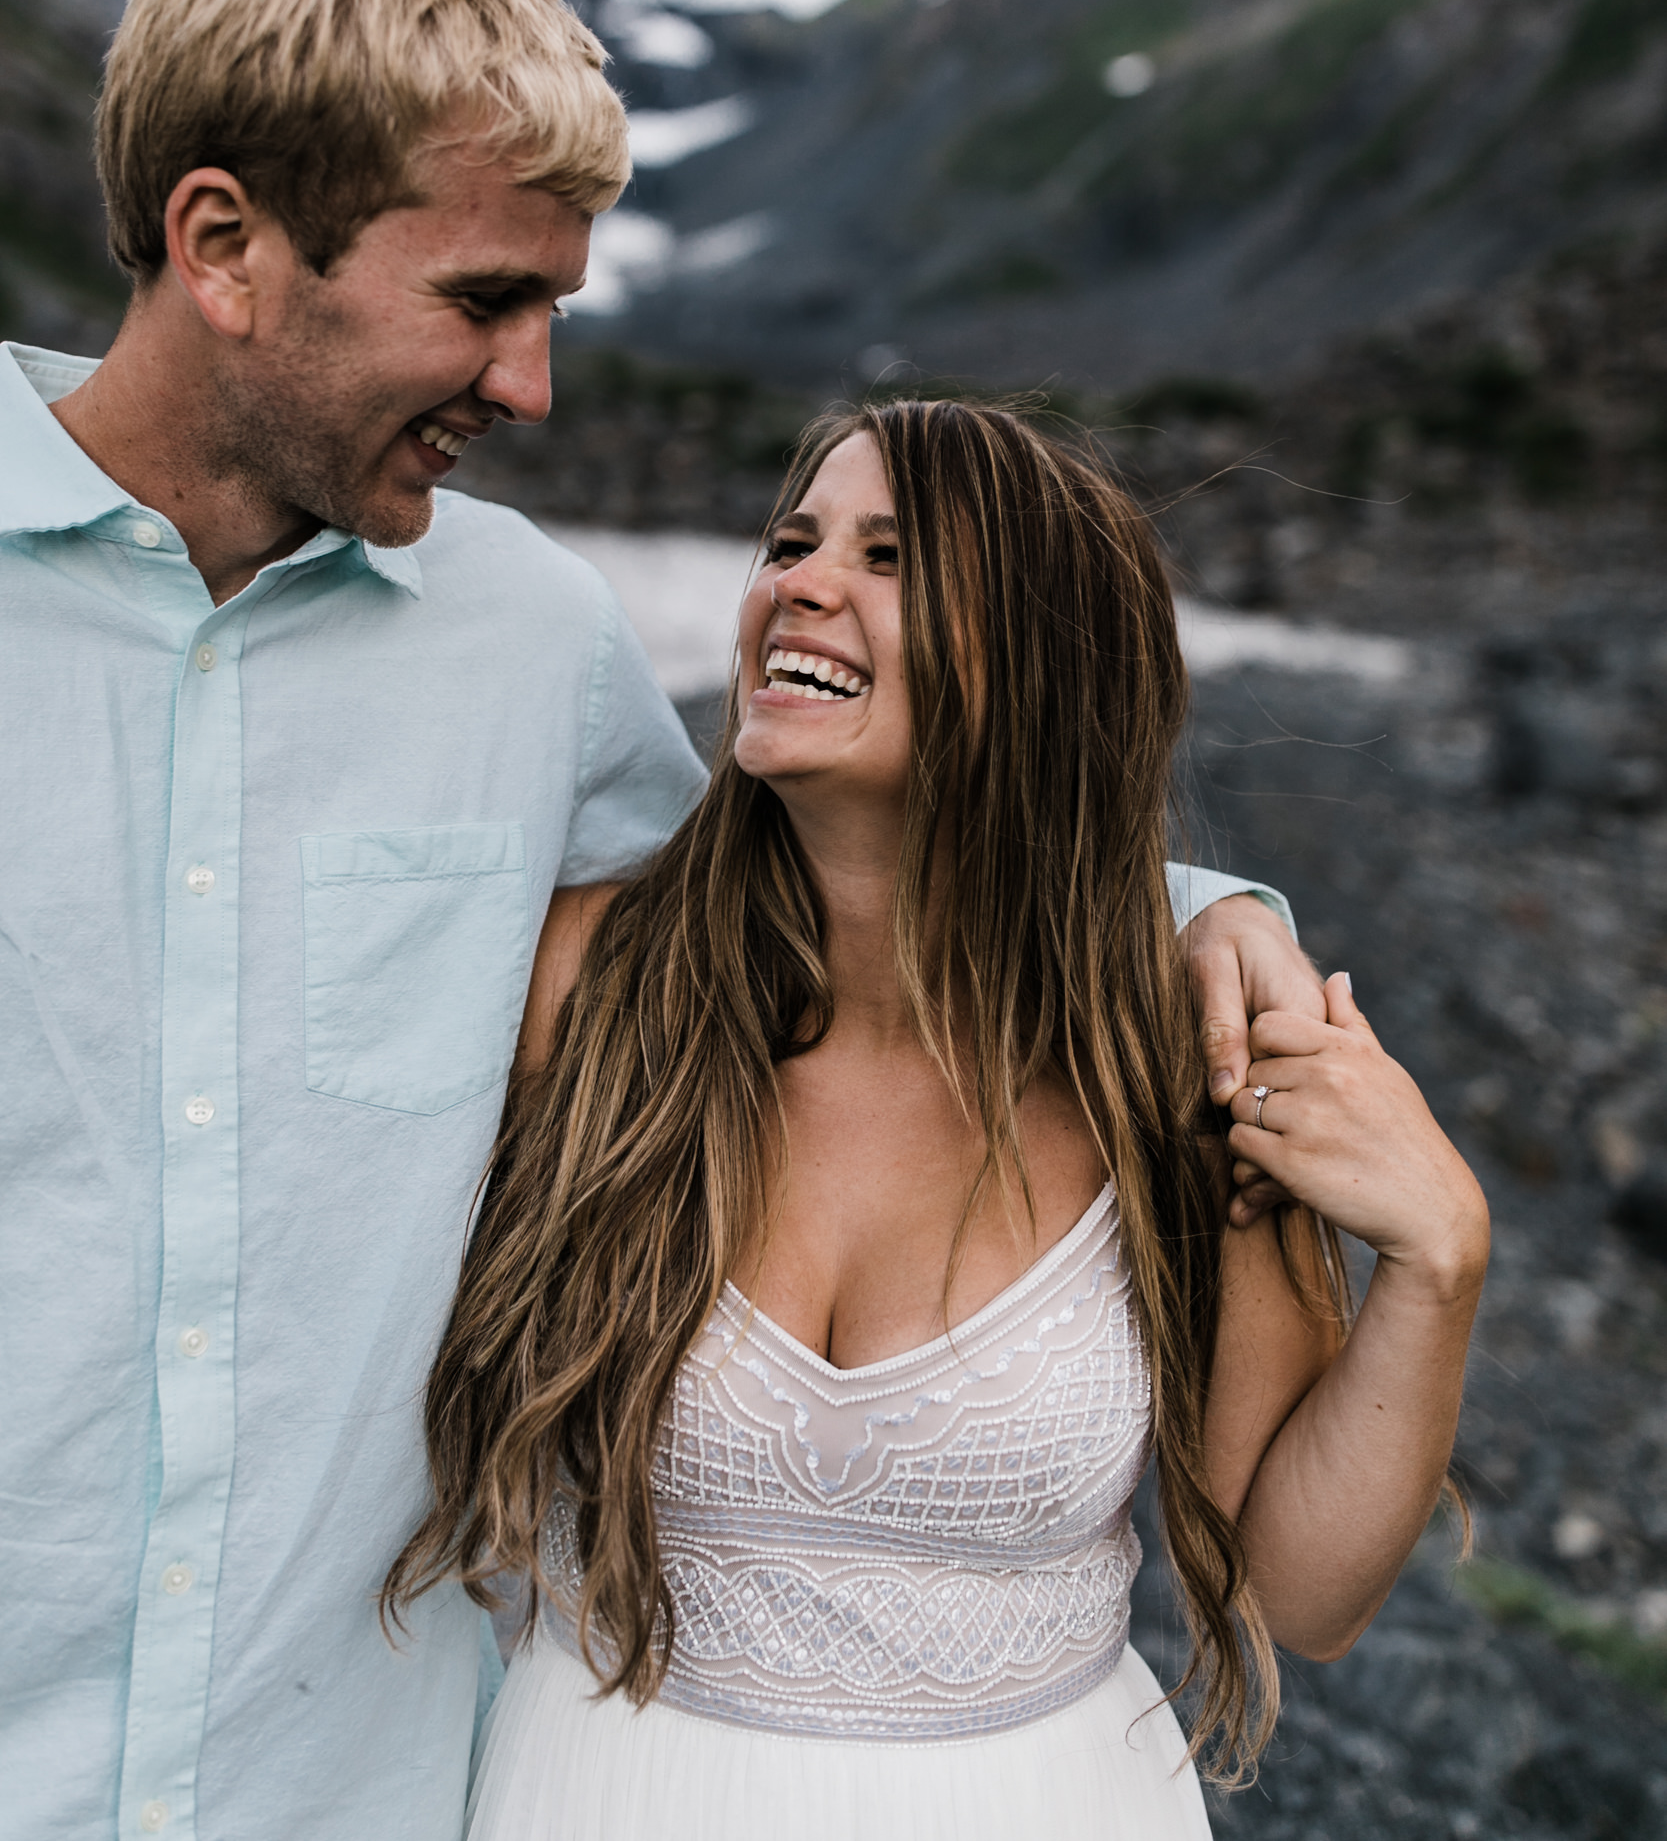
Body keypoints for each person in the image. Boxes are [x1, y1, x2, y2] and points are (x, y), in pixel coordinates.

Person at [0, 0, 1314, 1841]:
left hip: (358, 1786)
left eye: (553, 308)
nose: (532, 386)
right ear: (222, 242)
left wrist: (1204, 918)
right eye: (483, 300)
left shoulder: (526, 636)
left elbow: (812, 893)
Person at [392, 401, 1490, 1841]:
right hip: (601, 1794)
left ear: (1035, 661)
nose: (800, 580)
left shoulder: (1177, 1056)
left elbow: (1297, 1592)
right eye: (792, 541)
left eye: (891, 556)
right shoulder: (593, 989)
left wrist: (1442, 1262)